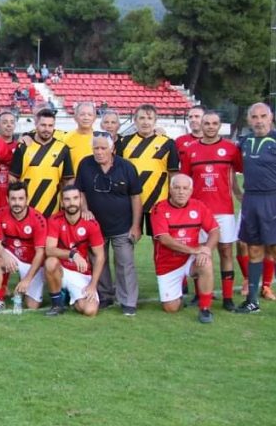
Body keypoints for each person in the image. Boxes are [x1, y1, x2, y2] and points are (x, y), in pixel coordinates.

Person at [75, 134, 142, 316]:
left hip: (123, 225)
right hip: (95, 226)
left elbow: (135, 197)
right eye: (96, 148)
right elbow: (81, 191)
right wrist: (84, 209)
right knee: (99, 261)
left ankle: (128, 301)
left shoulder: (127, 167)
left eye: (103, 148)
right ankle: (104, 295)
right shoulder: (85, 164)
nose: (99, 152)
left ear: (112, 149)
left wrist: (136, 225)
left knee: (125, 263)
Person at [182, 110, 243, 311]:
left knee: (226, 251)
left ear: (219, 125)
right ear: (201, 124)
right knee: (199, 252)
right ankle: (199, 294)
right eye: (206, 123)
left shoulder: (231, 148)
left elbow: (239, 172)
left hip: (224, 209)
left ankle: (227, 298)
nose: (210, 126)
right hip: (199, 211)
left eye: (214, 123)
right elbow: (185, 180)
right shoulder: (191, 150)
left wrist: (239, 193)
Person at [150, 174, 219, 323]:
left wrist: (206, 249)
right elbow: (164, 239)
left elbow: (214, 230)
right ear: (170, 190)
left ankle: (205, 308)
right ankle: (178, 294)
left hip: (190, 260)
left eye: (185, 188)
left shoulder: (199, 206)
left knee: (206, 262)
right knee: (171, 308)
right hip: (168, 264)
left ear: (191, 191)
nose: (181, 192)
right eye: (177, 188)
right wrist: (195, 250)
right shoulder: (159, 208)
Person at [234, 102, 276, 314]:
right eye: (255, 117)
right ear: (249, 120)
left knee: (274, 248)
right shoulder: (244, 142)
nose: (259, 121)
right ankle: (252, 301)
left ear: (271, 118)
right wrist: (237, 192)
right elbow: (229, 166)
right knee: (254, 249)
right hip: (251, 200)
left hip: (272, 199)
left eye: (263, 116)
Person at [116, 104, 179, 235]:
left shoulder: (168, 143)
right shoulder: (124, 142)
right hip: (130, 201)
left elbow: (173, 174)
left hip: (158, 201)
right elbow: (118, 172)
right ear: (135, 120)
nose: (145, 122)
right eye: (142, 118)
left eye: (149, 118)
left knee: (160, 239)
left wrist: (173, 197)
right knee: (128, 239)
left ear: (155, 121)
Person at [0, 181, 48, 312]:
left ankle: (20, 292)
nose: (17, 203)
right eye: (13, 199)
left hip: (31, 262)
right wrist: (5, 255)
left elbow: (40, 253)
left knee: (32, 305)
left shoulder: (38, 219)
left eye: (20, 198)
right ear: (7, 199)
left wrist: (27, 279)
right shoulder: (0, 214)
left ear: (27, 199)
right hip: (12, 256)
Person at [43, 186, 105, 317]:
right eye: (67, 199)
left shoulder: (91, 223)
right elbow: (49, 250)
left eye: (75, 198)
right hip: (61, 270)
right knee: (50, 262)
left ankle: (69, 296)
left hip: (81, 272)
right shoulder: (54, 220)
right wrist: (72, 254)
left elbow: (100, 256)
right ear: (62, 202)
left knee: (90, 311)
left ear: (81, 200)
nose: (72, 202)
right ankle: (57, 305)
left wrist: (93, 285)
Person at [9, 108, 74, 218]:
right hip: (26, 210)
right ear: (36, 124)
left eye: (50, 125)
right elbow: (12, 178)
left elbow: (68, 181)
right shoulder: (23, 147)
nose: (47, 129)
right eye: (43, 125)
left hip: (53, 211)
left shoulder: (63, 149)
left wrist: (66, 203)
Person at [63, 101, 99, 172]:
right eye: (82, 114)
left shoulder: (100, 140)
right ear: (75, 117)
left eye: (90, 115)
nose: (86, 117)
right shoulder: (65, 139)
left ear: (94, 118)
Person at [0, 110, 20, 204]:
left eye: (12, 122)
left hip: (12, 197)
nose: (9, 125)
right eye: (5, 122)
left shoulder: (20, 147)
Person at [175, 105, 205, 171]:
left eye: (197, 116)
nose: (193, 120)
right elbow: (173, 167)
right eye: (190, 117)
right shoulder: (179, 141)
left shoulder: (214, 141)